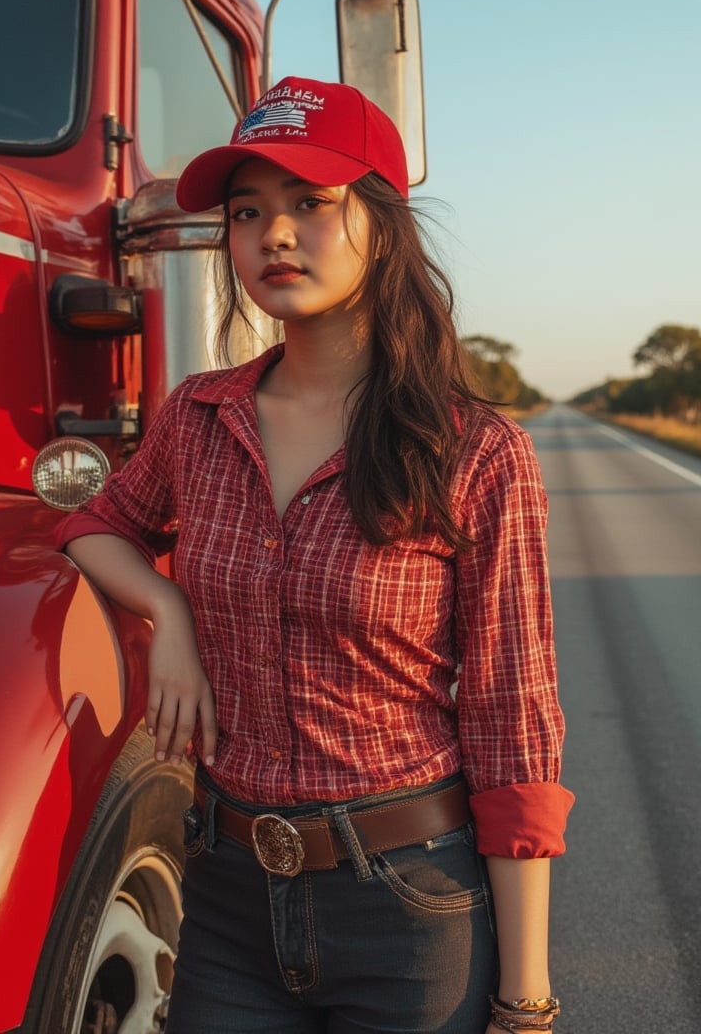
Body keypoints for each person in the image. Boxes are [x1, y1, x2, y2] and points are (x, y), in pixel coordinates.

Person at [57, 75, 574, 1034]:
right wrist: (166, 611)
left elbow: (514, 726)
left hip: (409, 906)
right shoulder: (199, 416)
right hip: (223, 897)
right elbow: (95, 523)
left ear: (383, 224)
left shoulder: (473, 451)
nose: (274, 235)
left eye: (310, 204)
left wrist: (527, 997)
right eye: (247, 212)